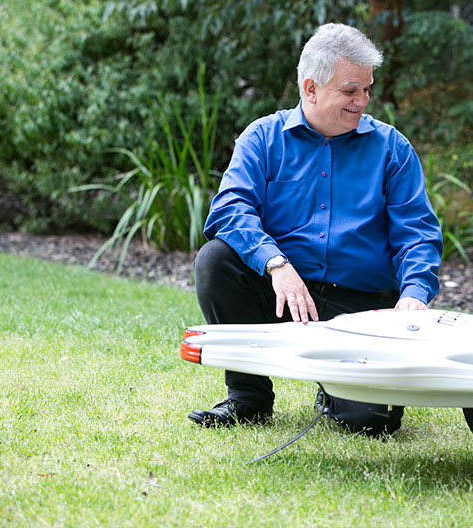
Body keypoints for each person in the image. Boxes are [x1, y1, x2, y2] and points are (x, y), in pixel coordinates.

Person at [188, 23, 443, 436]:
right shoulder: (263, 138)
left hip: (362, 307)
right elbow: (229, 209)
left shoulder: (392, 148)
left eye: (366, 90)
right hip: (282, 294)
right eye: (349, 91)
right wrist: (275, 264)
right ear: (311, 88)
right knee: (215, 260)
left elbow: (418, 232)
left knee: (370, 424)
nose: (362, 101)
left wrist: (414, 295)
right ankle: (248, 398)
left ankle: (338, 389)